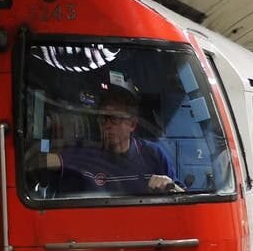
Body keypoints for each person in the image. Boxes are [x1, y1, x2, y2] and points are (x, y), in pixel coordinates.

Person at [42, 83, 183, 194]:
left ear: (132, 124)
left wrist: (169, 185)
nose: (107, 125)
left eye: (114, 118)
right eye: (103, 118)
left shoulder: (153, 154)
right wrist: (40, 146)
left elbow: (182, 196)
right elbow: (42, 161)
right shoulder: (86, 154)